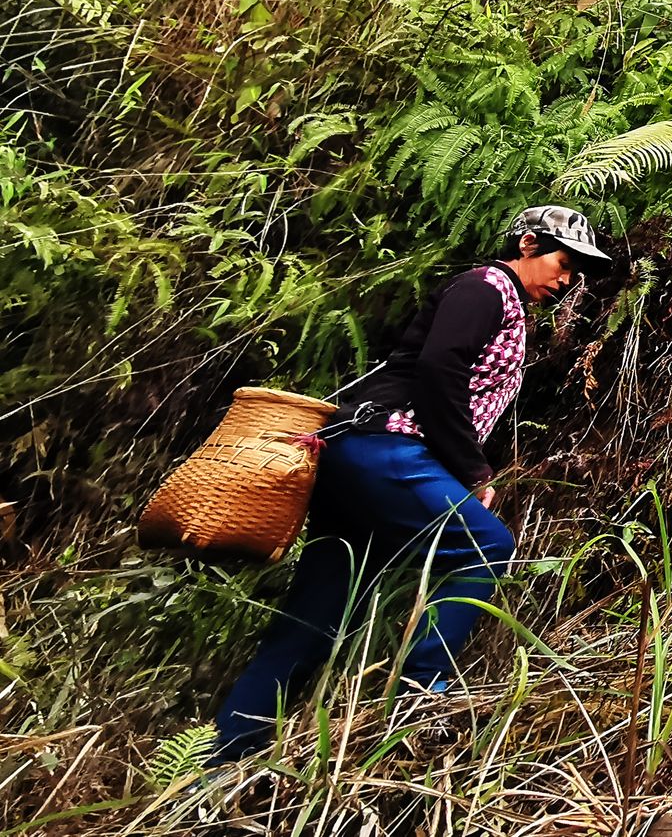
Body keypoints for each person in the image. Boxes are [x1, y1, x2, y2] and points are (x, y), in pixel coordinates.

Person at [211, 205, 611, 762]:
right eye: (563, 263)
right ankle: (421, 696)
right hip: (386, 450)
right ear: (527, 244)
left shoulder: (507, 305)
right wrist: (472, 471)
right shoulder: (486, 288)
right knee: (487, 546)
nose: (566, 280)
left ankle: (226, 762)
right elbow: (438, 371)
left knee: (316, 618)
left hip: (360, 460)